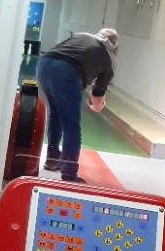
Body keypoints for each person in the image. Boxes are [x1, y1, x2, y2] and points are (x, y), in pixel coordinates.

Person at [36, 28, 119, 183]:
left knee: (56, 113)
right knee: (71, 125)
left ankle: (53, 159)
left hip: (44, 64)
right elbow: (97, 100)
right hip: (66, 71)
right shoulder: (109, 58)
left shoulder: (83, 35)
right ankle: (69, 174)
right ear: (114, 45)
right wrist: (96, 103)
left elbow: (61, 51)